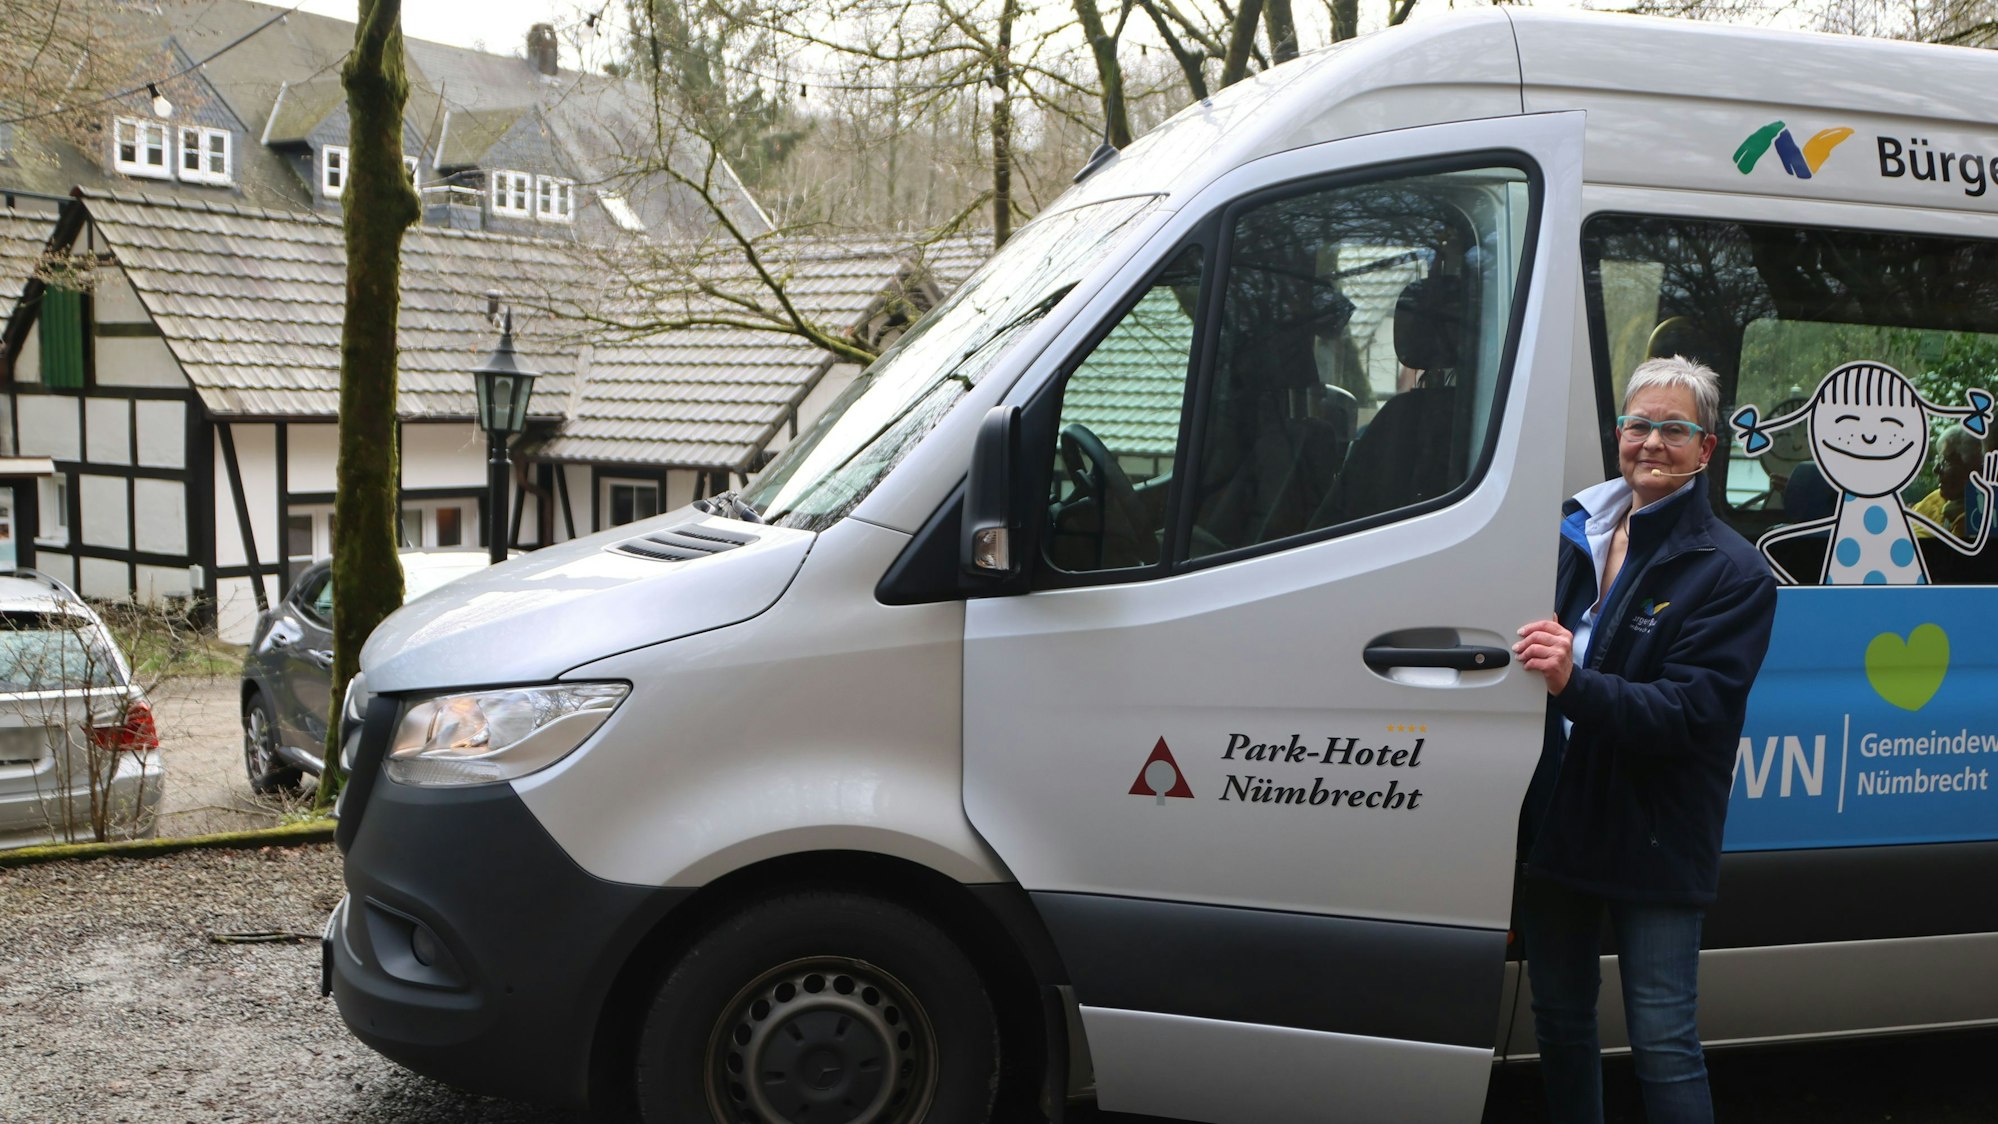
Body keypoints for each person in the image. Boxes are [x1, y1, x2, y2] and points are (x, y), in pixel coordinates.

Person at [1512, 356, 1779, 1124]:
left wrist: (1575, 682)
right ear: (1618, 434)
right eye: (1638, 425)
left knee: (1663, 1043)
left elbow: (1688, 715)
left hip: (1654, 830)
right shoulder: (1575, 529)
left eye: (1674, 428)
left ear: (1706, 448)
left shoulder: (1731, 572)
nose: (1651, 443)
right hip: (1559, 817)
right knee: (1559, 1024)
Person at [1911, 424, 1983, 539]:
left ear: (1974, 467)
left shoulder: (1986, 517)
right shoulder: (1933, 500)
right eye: (1938, 459)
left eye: (1946, 461)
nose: (1936, 469)